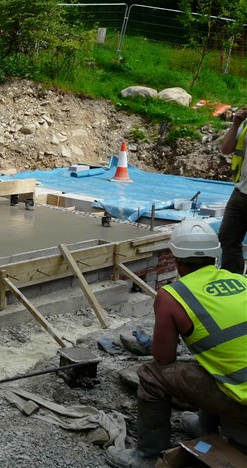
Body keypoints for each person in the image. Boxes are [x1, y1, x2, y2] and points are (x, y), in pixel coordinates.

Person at [105, 219, 247, 468]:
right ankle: (205, 427)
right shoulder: (241, 281)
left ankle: (147, 456)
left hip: (242, 401)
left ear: (177, 259)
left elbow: (163, 359)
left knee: (152, 375)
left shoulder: (172, 296)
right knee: (211, 358)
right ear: (215, 255)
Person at [218, 106, 247, 274]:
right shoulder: (245, 124)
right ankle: (233, 281)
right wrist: (236, 124)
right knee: (227, 239)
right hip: (241, 192)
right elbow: (226, 149)